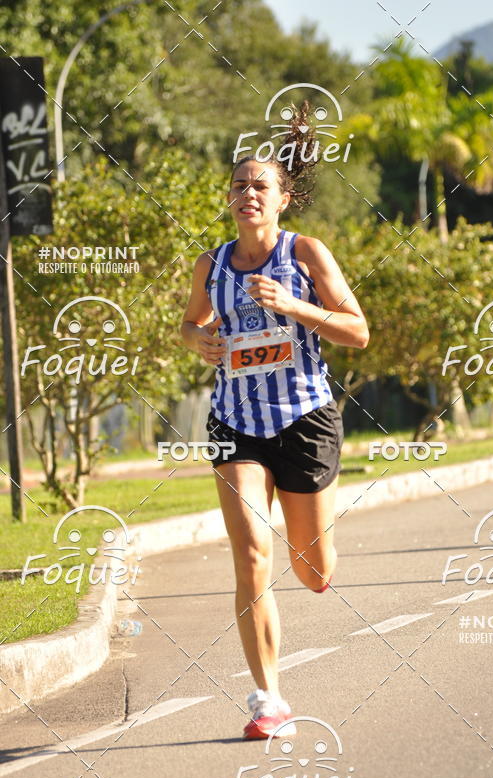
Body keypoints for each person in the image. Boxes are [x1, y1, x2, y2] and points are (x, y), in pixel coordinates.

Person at [181, 107, 369, 739]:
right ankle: (268, 700)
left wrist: (295, 306)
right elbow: (190, 324)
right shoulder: (211, 266)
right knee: (253, 557)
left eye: (260, 185)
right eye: (238, 185)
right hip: (236, 422)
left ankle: (317, 552)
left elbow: (358, 331)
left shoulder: (306, 253)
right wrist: (199, 342)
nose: (247, 194)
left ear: (284, 199)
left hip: (305, 421)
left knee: (312, 571)